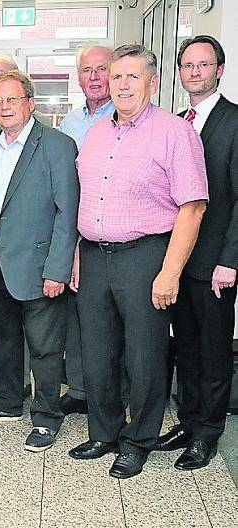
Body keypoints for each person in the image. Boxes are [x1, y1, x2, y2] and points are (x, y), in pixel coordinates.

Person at [68, 45, 208, 479]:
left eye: (132, 77)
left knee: (144, 356)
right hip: (93, 255)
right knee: (97, 352)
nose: (122, 85)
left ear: (152, 82)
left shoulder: (173, 132)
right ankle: (104, 431)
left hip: (145, 255)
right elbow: (83, 198)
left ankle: (139, 439)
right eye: (116, 77)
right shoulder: (95, 133)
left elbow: (193, 206)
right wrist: (76, 253)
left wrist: (170, 271)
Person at [0, 71, 79, 453]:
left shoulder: (57, 145)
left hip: (38, 263)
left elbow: (67, 212)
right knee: (1, 339)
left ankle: (46, 418)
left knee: (45, 348)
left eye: (12, 99)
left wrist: (57, 269)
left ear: (30, 103)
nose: (5, 107)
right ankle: (7, 402)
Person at [156, 35, 238, 471]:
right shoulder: (174, 123)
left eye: (203, 65)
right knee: (184, 345)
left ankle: (207, 433)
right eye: (188, 65)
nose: (195, 72)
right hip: (177, 259)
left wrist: (231, 260)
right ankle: (187, 421)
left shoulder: (234, 121)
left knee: (213, 350)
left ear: (218, 70)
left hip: (215, 264)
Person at [57, 44, 115, 416]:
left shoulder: (123, 117)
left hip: (112, 231)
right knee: (76, 314)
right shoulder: (70, 122)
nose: (93, 77)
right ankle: (79, 388)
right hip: (74, 229)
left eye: (101, 69)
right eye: (86, 70)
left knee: (111, 320)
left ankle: (111, 393)